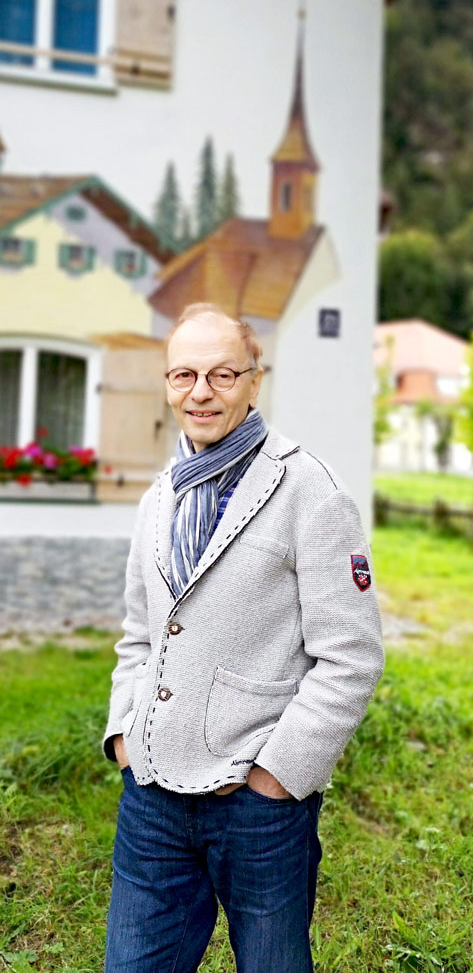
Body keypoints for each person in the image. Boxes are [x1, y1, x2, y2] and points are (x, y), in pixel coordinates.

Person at [102, 302, 384, 973]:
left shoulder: (309, 492)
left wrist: (277, 776)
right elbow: (138, 635)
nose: (201, 392)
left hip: (257, 809)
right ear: (167, 384)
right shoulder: (158, 498)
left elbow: (351, 656)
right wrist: (124, 739)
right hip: (152, 802)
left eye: (222, 374)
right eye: (184, 375)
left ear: (256, 380)